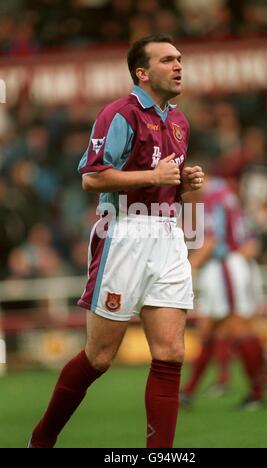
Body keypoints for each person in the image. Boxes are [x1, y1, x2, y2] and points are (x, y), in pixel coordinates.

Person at [28, 34, 204, 448]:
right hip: (123, 232)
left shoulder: (179, 122)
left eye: (179, 59)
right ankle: (42, 439)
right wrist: (154, 177)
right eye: (167, 60)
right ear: (142, 73)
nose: (179, 65)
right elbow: (92, 178)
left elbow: (163, 183)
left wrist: (183, 182)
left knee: (170, 354)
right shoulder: (119, 114)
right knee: (100, 357)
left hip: (168, 233)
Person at [180, 157, 267, 410]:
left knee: (237, 327)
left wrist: (186, 268)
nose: (184, 190)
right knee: (212, 329)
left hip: (225, 267)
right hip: (226, 267)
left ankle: (257, 392)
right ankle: (188, 392)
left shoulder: (213, 198)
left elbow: (211, 242)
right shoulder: (225, 193)